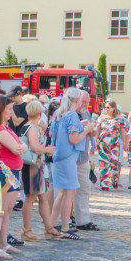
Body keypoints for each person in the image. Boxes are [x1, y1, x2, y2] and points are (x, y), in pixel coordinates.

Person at [0, 96, 28, 254]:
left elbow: (21, 145)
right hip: (3, 173)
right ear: (0, 110)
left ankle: (3, 243)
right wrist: (22, 146)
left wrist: (21, 146)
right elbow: (18, 147)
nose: (12, 112)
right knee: (0, 211)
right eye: (9, 109)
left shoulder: (6, 128)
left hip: (12, 172)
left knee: (7, 209)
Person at [50, 87, 88, 240]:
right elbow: (74, 139)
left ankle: (53, 225)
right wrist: (86, 130)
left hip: (58, 156)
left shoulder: (59, 113)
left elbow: (52, 133)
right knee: (69, 192)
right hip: (67, 157)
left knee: (63, 192)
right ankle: (65, 227)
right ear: (77, 100)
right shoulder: (72, 115)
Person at [20, 100, 59, 240]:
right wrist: (47, 150)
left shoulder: (28, 126)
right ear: (40, 113)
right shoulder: (32, 128)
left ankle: (48, 227)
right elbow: (36, 148)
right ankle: (27, 229)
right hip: (33, 165)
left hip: (36, 165)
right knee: (30, 198)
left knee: (43, 196)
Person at [72, 92, 100, 231]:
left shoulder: (86, 113)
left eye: (87, 102)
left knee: (84, 188)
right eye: (83, 102)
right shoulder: (68, 113)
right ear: (76, 100)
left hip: (83, 156)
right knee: (66, 191)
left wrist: (92, 131)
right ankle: (64, 220)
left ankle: (82, 220)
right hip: (69, 157)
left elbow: (92, 134)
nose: (85, 105)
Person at [95, 100, 128, 190]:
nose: (106, 109)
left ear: (113, 108)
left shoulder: (120, 118)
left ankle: (114, 180)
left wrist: (125, 143)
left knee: (114, 163)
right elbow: (97, 130)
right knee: (103, 163)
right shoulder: (101, 117)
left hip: (114, 144)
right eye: (105, 107)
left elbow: (123, 132)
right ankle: (104, 184)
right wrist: (95, 141)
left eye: (108, 107)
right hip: (103, 143)